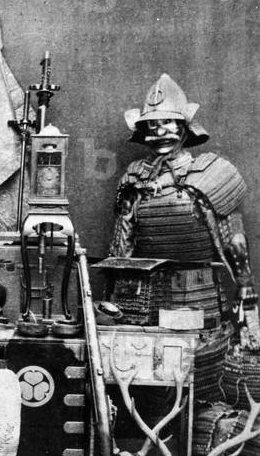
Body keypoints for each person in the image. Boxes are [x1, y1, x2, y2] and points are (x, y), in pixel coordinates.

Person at [110, 73, 260, 349]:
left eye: (167, 122)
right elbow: (123, 246)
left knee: (200, 368)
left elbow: (232, 235)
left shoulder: (210, 172)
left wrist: (245, 283)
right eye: (152, 125)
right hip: (146, 297)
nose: (159, 132)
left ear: (184, 126)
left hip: (199, 292)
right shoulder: (133, 177)